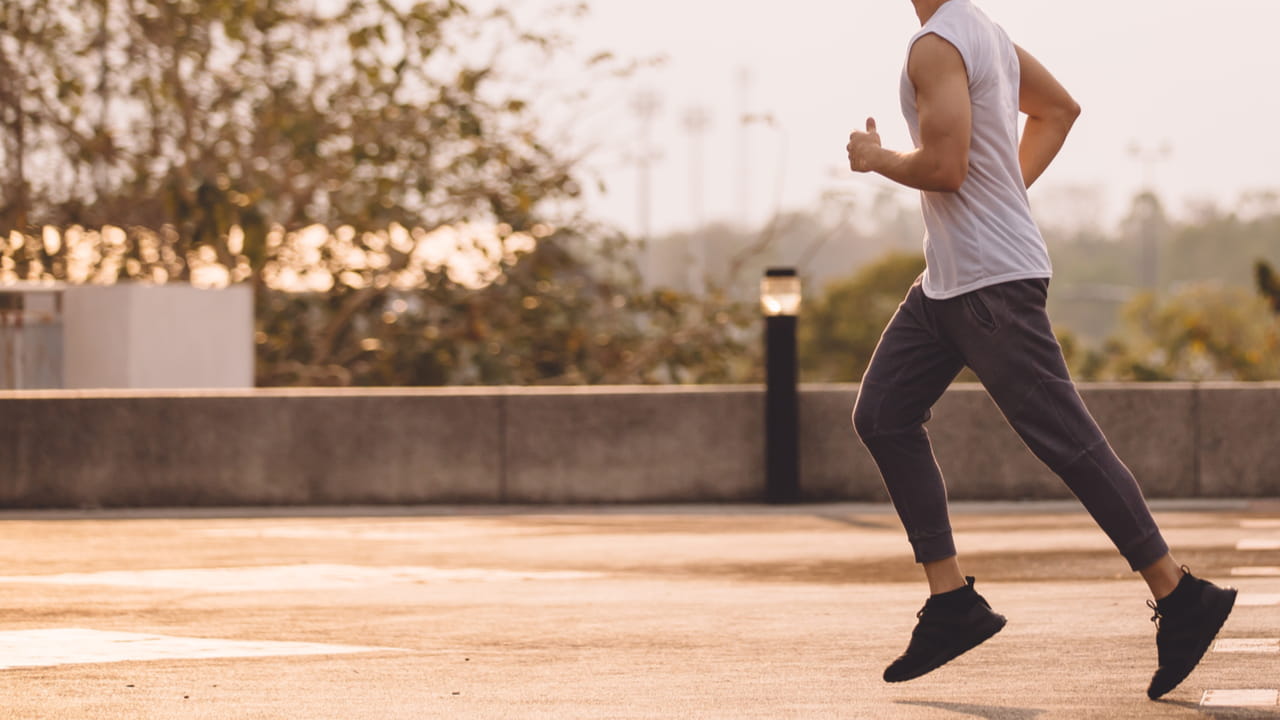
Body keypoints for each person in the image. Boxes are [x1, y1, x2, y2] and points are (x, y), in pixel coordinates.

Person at [845, 0, 1236, 699]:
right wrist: (1002, 200)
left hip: (989, 287)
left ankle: (1180, 595)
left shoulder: (937, 45)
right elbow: (1059, 112)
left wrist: (877, 159)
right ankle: (951, 601)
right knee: (883, 414)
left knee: (1068, 441)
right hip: (949, 283)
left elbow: (945, 166)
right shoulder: (987, 35)